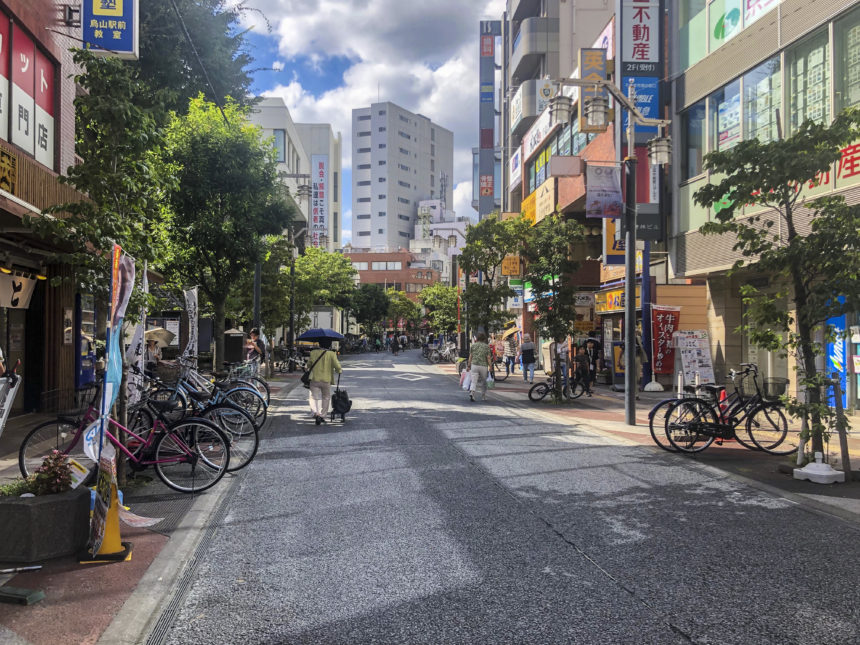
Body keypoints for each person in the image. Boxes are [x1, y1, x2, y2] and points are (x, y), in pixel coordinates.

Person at [307, 338, 343, 425]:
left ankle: (316, 413)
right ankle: (322, 415)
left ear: (319, 344)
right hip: (326, 379)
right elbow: (337, 365)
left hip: (315, 378)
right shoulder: (331, 354)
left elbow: (308, 364)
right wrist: (339, 370)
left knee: (313, 397)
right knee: (326, 397)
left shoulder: (313, 352)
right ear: (329, 345)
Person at [467, 332, 493, 402]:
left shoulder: (473, 346)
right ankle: (483, 396)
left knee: (474, 381)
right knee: (484, 381)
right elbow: (488, 357)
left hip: (474, 365)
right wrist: (490, 366)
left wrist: (468, 365)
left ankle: (472, 392)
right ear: (484, 339)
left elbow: (471, 356)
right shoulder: (486, 346)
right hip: (483, 365)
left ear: (477, 338)